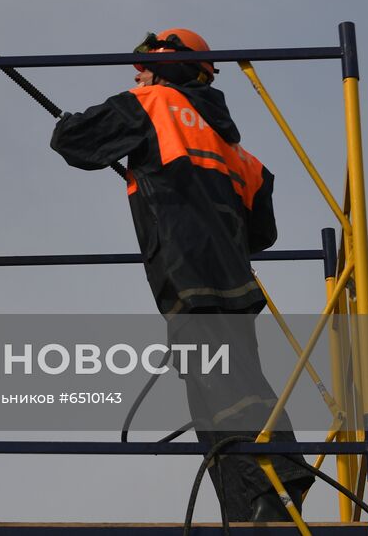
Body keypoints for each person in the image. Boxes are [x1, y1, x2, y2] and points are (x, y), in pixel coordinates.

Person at [49, 28, 315, 522]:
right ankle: (254, 505)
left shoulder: (153, 103)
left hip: (186, 272)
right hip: (233, 281)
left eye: (146, 63)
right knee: (222, 387)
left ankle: (280, 483)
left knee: (226, 389)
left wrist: (72, 124)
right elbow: (263, 231)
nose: (137, 71)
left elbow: (74, 141)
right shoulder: (238, 152)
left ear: (171, 64)